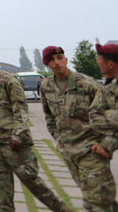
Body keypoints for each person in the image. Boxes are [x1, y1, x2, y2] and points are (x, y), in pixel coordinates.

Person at [0, 48, 72, 212]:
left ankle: (62, 209)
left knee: (33, 182)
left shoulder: (8, 80)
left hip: (13, 143)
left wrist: (18, 136)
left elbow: (20, 110)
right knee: (0, 190)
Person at [41, 45, 116, 211]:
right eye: (52, 60)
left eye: (60, 58)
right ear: (47, 64)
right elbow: (49, 116)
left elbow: (111, 115)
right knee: (97, 196)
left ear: (66, 59)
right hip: (69, 154)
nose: (57, 62)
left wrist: (106, 145)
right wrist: (58, 138)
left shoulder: (88, 85)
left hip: (91, 151)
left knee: (96, 200)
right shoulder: (46, 87)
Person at [88, 40, 118, 208]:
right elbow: (93, 115)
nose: (97, 63)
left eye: (99, 59)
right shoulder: (108, 90)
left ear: (110, 63)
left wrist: (107, 144)